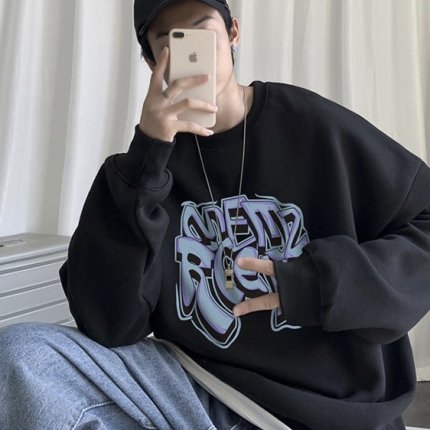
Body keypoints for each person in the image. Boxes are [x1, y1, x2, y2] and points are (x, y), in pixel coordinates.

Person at [1, 0, 429, 429]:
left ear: (233, 33)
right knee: (22, 356)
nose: (190, 50)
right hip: (199, 391)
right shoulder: (142, 172)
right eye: (170, 41)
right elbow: (108, 326)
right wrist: (148, 154)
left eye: (201, 29)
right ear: (151, 61)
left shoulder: (311, 125)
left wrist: (320, 283)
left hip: (326, 408)